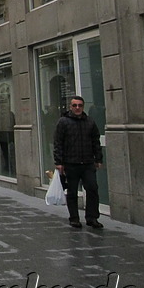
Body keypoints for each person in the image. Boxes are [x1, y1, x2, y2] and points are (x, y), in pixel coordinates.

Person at [53, 95, 104, 229]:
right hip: (71, 163)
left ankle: (92, 218)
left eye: (80, 105)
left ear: (83, 106)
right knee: (72, 192)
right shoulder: (63, 122)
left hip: (87, 163)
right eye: (74, 105)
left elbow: (95, 141)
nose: (77, 108)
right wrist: (59, 162)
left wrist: (98, 158)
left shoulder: (90, 122)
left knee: (92, 189)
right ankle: (74, 218)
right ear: (70, 107)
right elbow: (58, 143)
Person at [0, 108, 16, 172]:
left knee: (5, 152)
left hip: (3, 135)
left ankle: (8, 165)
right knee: (7, 151)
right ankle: (9, 165)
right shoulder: (11, 114)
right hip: (8, 135)